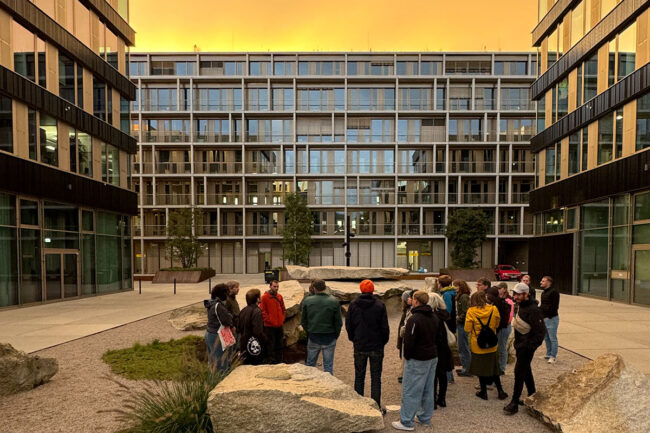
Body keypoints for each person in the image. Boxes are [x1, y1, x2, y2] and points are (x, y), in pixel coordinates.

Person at [392, 291, 442, 431]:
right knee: (428, 388)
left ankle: (406, 421)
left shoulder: (414, 319)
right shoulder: (434, 317)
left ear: (416, 301)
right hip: (432, 356)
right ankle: (424, 417)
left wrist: (407, 356)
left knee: (411, 390)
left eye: (412, 298)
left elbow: (409, 341)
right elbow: (439, 338)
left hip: (417, 358)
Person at [346, 279, 390, 412]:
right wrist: (383, 342)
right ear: (372, 290)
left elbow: (349, 325)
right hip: (376, 345)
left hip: (360, 344)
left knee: (359, 376)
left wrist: (354, 339)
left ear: (361, 290)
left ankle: (360, 406)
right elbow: (384, 327)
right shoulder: (380, 305)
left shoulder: (353, 305)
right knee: (376, 377)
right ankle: (376, 406)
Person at [503, 283, 547, 415]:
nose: (515, 297)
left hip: (526, 347)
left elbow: (540, 332)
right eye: (514, 294)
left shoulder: (533, 310)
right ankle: (533, 395)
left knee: (519, 372)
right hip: (521, 345)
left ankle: (514, 402)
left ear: (526, 294)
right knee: (526, 370)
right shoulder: (521, 306)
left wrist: (529, 346)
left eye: (518, 294)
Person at [465, 291, 508, 401]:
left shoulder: (471, 311)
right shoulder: (493, 309)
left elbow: (467, 329)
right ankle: (500, 391)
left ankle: (483, 392)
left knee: (481, 369)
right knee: (494, 368)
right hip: (491, 343)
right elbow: (497, 323)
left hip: (478, 344)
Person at [301, 279, 342, 374]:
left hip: (313, 336)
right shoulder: (334, 301)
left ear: (314, 288)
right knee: (328, 366)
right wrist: (335, 336)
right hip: (329, 336)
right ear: (325, 287)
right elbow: (338, 323)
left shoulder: (307, 301)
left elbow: (303, 321)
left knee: (310, 365)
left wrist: (309, 331)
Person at [429, 293, 453, 409]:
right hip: (444, 347)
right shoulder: (444, 315)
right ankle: (442, 398)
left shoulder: (431, 317)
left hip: (435, 347)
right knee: (442, 374)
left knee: (433, 375)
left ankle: (433, 400)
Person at [204, 283, 234, 371]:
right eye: (227, 294)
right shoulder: (218, 306)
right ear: (223, 294)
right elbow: (227, 321)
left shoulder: (210, 303)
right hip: (217, 335)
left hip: (210, 333)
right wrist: (230, 316)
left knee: (212, 362)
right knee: (221, 364)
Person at [487, 286, 513, 375]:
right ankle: (499, 367)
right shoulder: (498, 302)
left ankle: (501, 368)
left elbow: (501, 319)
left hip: (502, 328)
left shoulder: (499, 304)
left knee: (502, 348)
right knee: (500, 348)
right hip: (501, 328)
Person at [260, 280, 286, 364]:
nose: (276, 288)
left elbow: (283, 308)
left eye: (277, 286)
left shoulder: (279, 296)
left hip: (279, 325)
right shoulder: (264, 297)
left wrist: (282, 318)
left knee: (280, 344)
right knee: (270, 345)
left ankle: (279, 360)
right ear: (270, 286)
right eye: (274, 286)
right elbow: (262, 311)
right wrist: (269, 320)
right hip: (269, 326)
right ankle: (271, 361)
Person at [238, 288, 266, 365]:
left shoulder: (243, 310)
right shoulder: (257, 311)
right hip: (254, 344)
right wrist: (264, 339)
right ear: (257, 299)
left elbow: (239, 327)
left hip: (244, 343)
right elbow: (257, 331)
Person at [454, 279, 472, 377]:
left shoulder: (464, 297)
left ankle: (467, 369)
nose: (454, 288)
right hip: (462, 324)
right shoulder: (461, 296)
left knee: (463, 347)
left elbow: (466, 312)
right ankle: (465, 367)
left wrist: (458, 319)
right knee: (462, 346)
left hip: (463, 324)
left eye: (456, 286)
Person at [540, 275, 560, 364]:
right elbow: (543, 305)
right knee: (546, 337)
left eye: (543, 281)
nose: (541, 282)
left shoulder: (554, 292)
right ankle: (548, 353)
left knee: (552, 338)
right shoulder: (544, 292)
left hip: (551, 318)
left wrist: (549, 315)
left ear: (549, 282)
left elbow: (555, 306)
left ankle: (553, 356)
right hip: (544, 318)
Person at [396, 290, 413, 383]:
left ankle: (403, 374)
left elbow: (404, 326)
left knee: (405, 356)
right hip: (404, 337)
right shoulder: (406, 310)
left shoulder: (409, 311)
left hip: (406, 337)